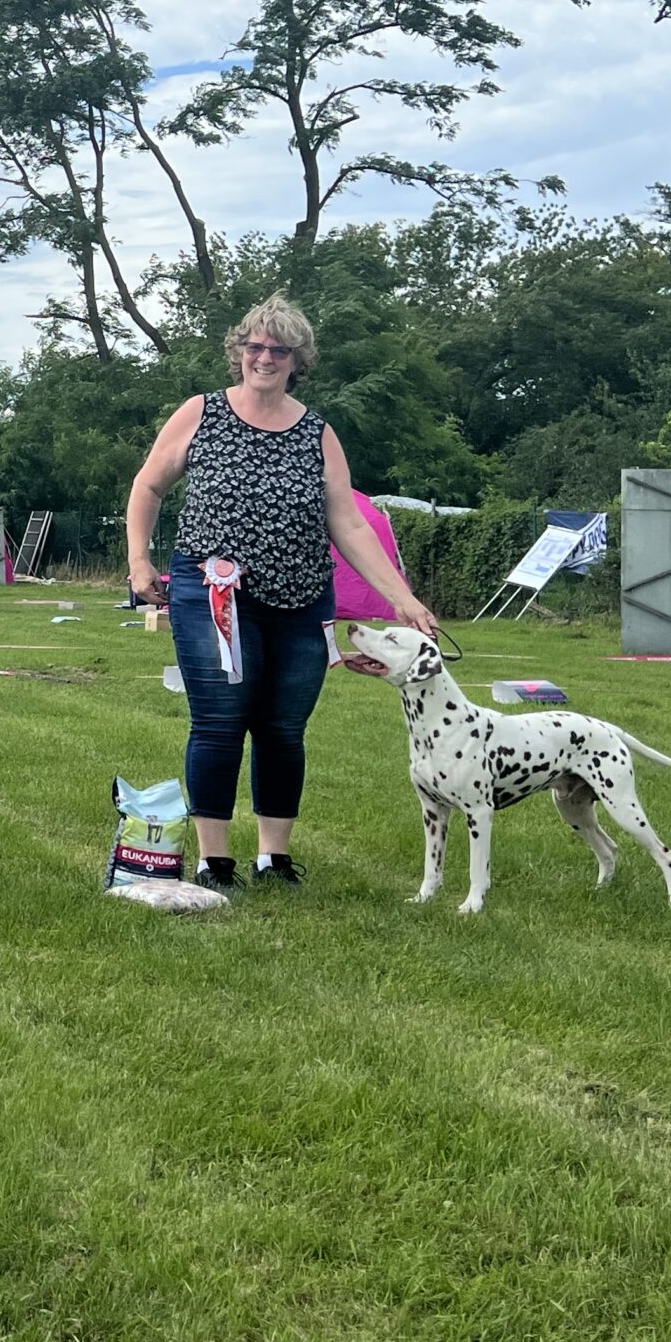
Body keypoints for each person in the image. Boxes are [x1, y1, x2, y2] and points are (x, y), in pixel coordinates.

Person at [125, 293, 438, 894]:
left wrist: (402, 598)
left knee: (283, 729)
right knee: (218, 723)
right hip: (212, 596)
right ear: (238, 352)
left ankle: (274, 858)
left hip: (302, 602)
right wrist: (139, 563)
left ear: (298, 360)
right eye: (255, 346)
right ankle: (214, 862)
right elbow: (148, 486)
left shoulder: (318, 433)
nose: (265, 357)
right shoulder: (201, 413)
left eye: (279, 350)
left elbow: (347, 523)